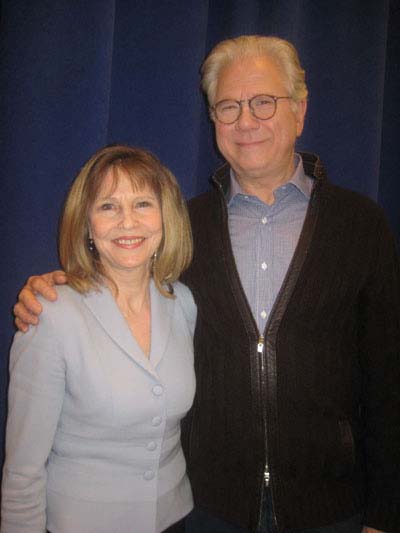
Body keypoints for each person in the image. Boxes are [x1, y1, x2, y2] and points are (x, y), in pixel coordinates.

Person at [12, 36, 400, 533]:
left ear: (300, 111)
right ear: (213, 119)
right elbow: (117, 282)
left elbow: (389, 378)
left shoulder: (360, 224)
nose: (246, 120)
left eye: (264, 101)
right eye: (228, 106)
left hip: (331, 506)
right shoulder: (183, 229)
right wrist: (55, 286)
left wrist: (386, 514)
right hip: (212, 508)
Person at [1, 144, 196, 533]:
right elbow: (23, 469)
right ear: (87, 225)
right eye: (108, 206)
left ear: (165, 218)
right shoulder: (50, 315)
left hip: (173, 518)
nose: (128, 222)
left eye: (143, 203)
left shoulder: (182, 303)